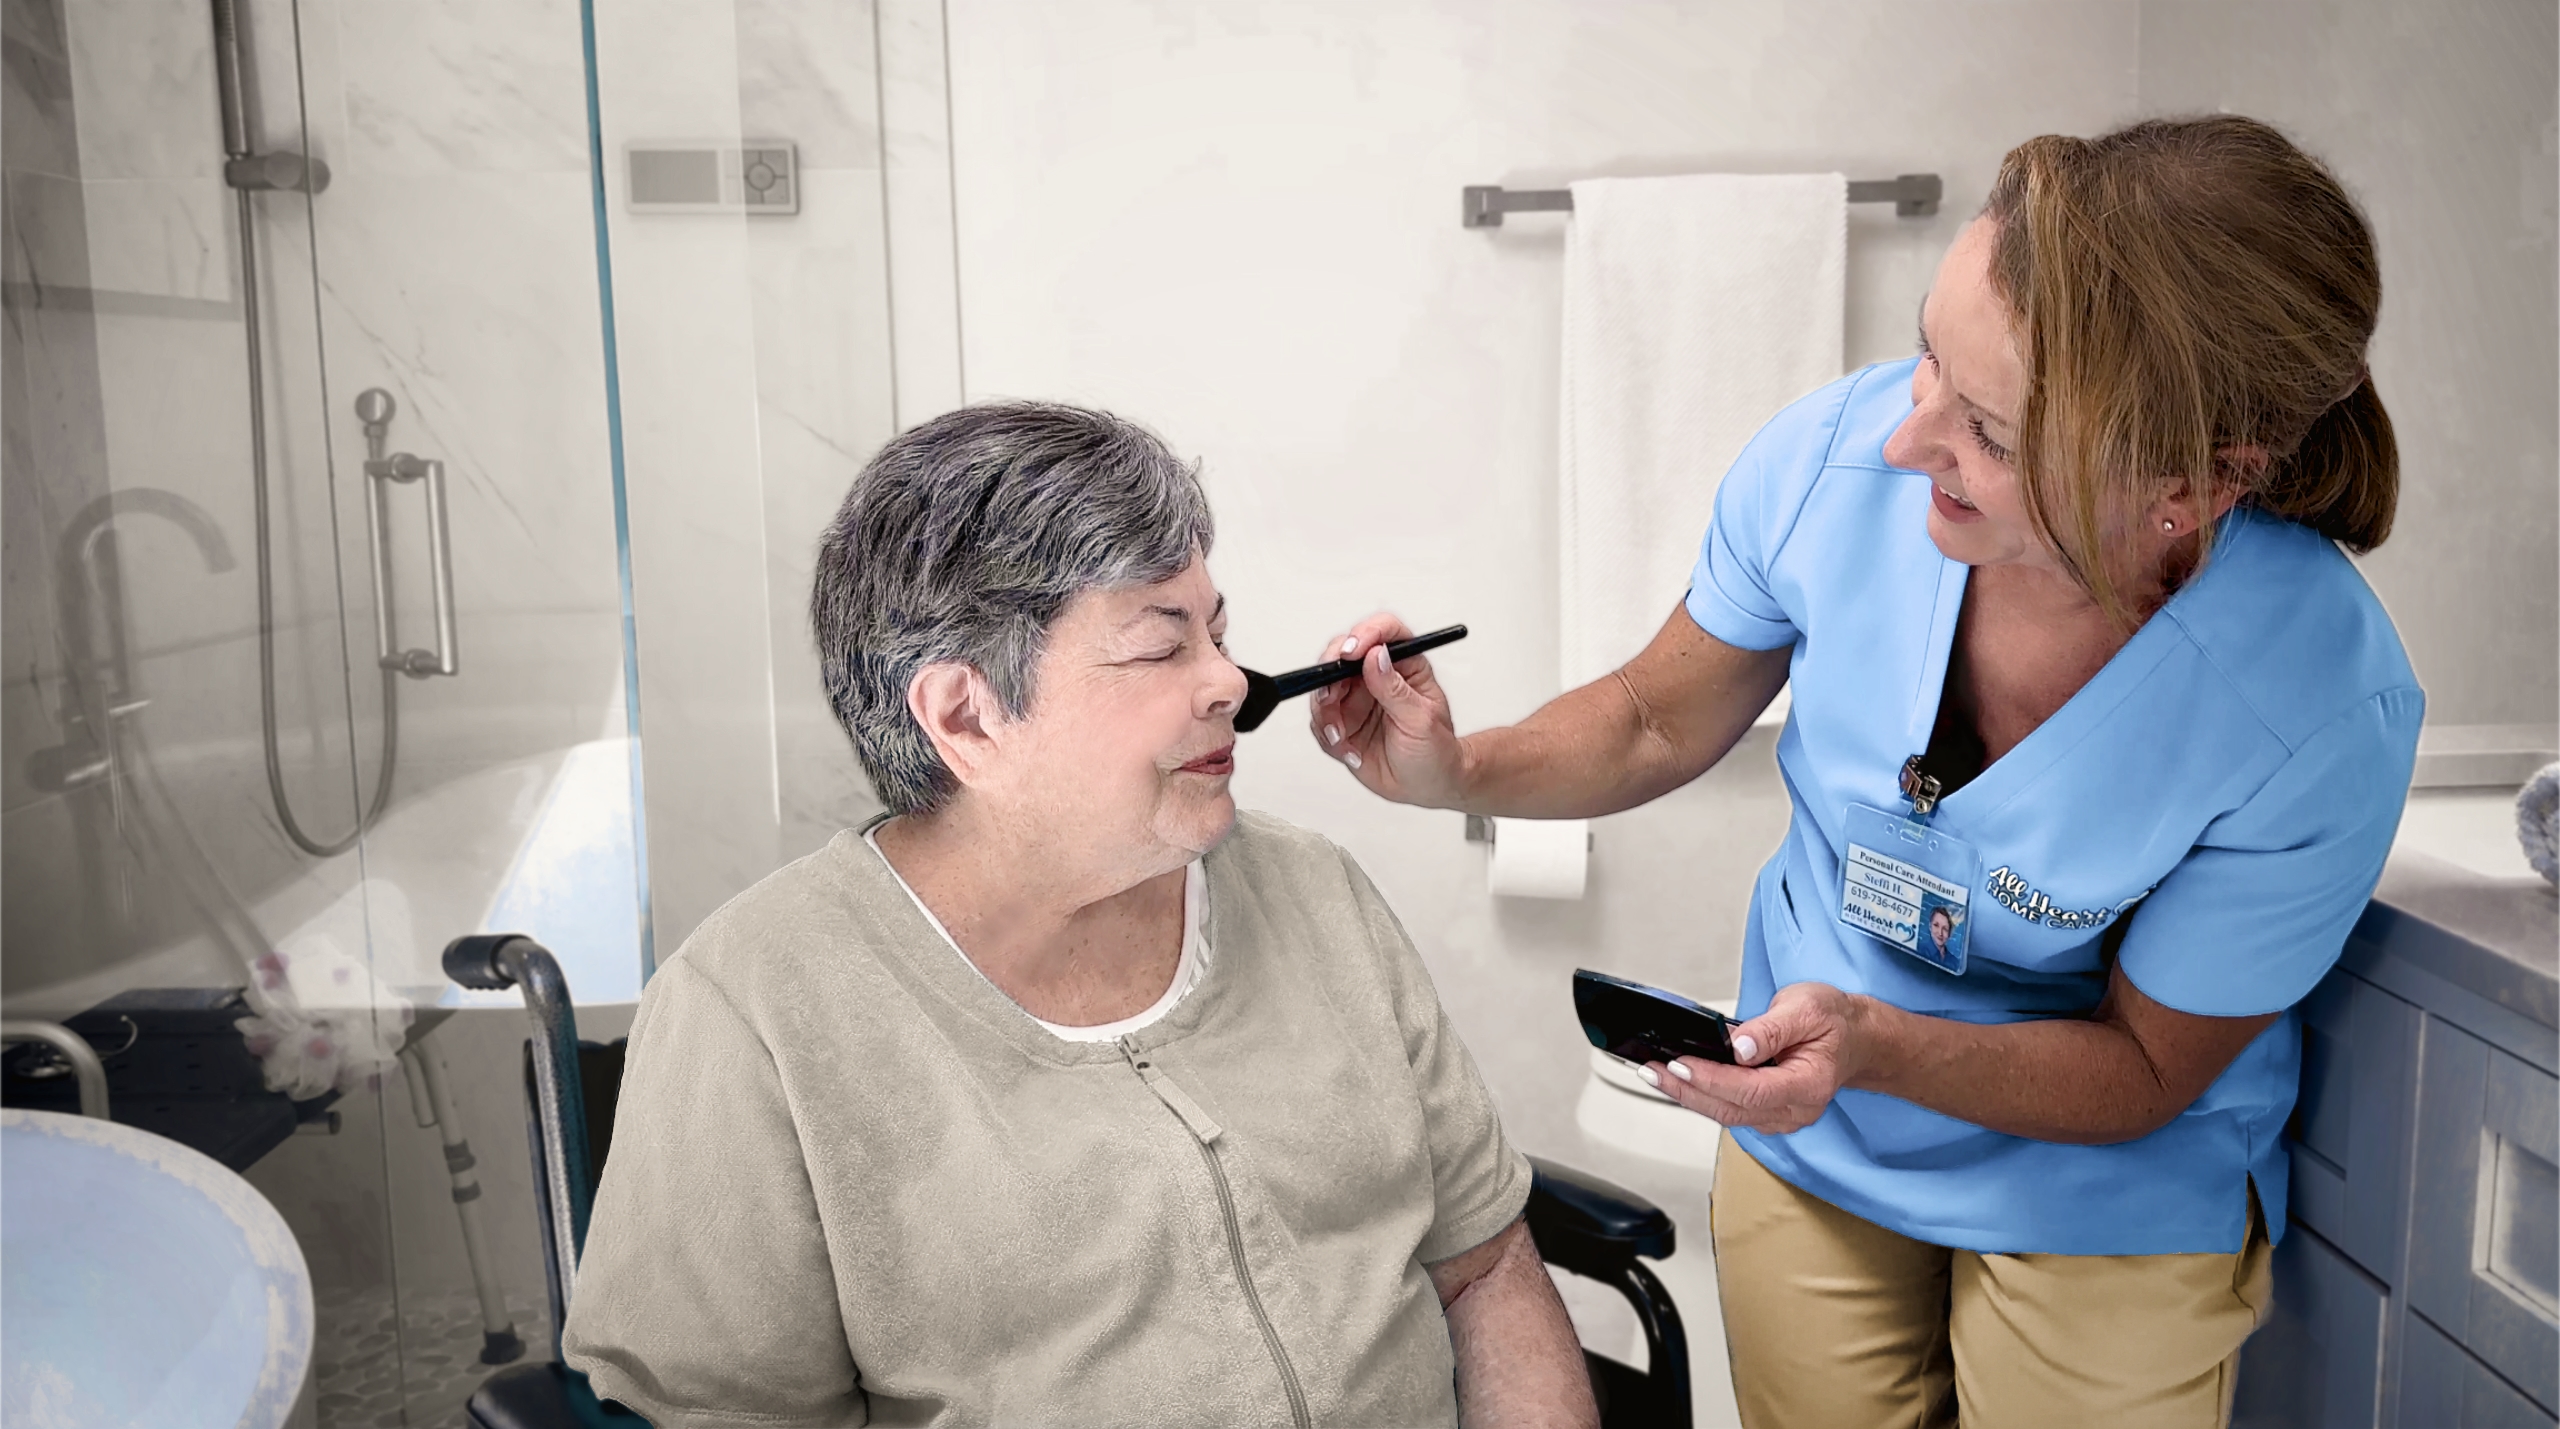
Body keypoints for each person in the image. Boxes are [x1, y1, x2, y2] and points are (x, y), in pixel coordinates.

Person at [1309, 115, 2422, 1428]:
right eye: (1926, 359)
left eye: (1992, 434)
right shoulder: (1835, 463)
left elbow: (2141, 1067)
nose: (1905, 442)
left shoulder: (2312, 699)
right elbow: (1654, 721)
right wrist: (1458, 768)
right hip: (1815, 1137)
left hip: (2108, 1180)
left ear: (2192, 482)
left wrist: (1878, 1044)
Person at [563, 403, 1596, 1428]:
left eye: (1219, 632)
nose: (1229, 682)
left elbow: (1483, 1265)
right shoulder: (754, 1010)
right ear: (967, 716)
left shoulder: (1311, 890)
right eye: (1161, 647)